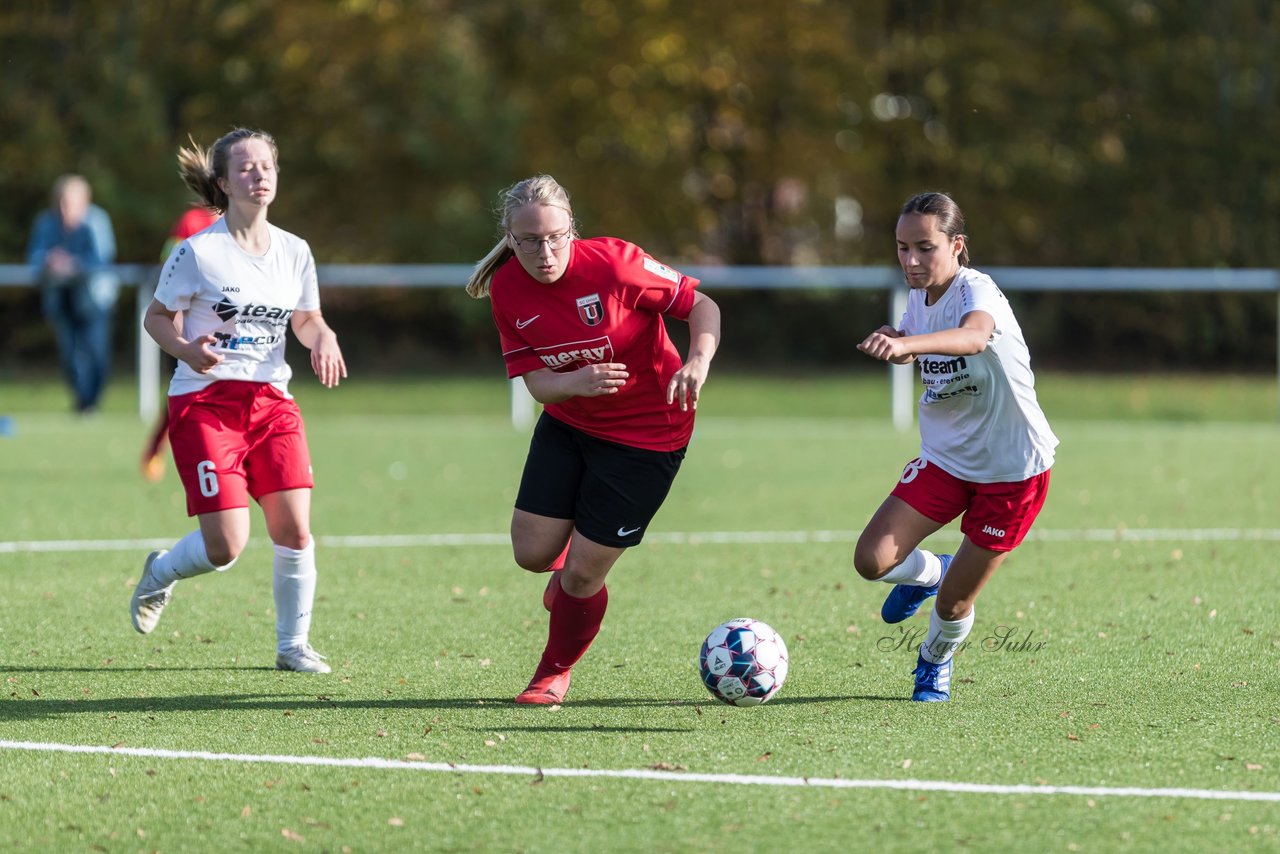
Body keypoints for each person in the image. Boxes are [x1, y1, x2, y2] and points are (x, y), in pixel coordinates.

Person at [465, 174, 721, 705]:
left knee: (581, 575)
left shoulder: (614, 264)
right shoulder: (509, 288)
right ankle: (565, 579)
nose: (545, 250)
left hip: (650, 436)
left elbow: (701, 305)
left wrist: (697, 361)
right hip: (570, 425)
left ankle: (553, 672)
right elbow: (536, 381)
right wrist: (578, 383)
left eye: (556, 236)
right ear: (510, 238)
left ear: (572, 230)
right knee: (532, 554)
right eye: (530, 240)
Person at [129, 128, 347, 673]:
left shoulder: (295, 251)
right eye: (246, 168)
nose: (259, 175)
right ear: (224, 183)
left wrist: (324, 336)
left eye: (267, 165)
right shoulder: (198, 252)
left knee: (295, 529)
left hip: (273, 402)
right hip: (205, 403)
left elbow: (306, 316)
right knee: (226, 546)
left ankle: (292, 646)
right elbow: (156, 317)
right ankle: (159, 572)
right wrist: (185, 348)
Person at [853, 191, 1058, 702]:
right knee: (870, 560)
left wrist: (906, 345)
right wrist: (896, 338)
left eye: (924, 247)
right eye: (902, 248)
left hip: (1014, 470)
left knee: (953, 606)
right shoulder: (915, 299)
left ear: (957, 245)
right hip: (947, 460)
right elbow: (920, 341)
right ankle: (932, 572)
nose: (911, 261)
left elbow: (970, 338)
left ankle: (933, 662)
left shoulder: (977, 291)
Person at [26, 174, 121, 413]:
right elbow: (34, 255)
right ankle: (82, 402)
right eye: (60, 202)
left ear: (84, 201)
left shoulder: (96, 221)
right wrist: (49, 261)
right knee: (70, 353)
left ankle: (93, 402)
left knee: (96, 351)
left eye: (68, 202)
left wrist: (73, 264)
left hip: (94, 298)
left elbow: (103, 258)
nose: (63, 208)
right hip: (61, 295)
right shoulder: (45, 222)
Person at [140, 204, 221, 482]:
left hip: (230, 329)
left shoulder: (245, 225)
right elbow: (169, 264)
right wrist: (176, 325)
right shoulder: (191, 220)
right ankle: (155, 451)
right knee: (183, 392)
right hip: (192, 325)